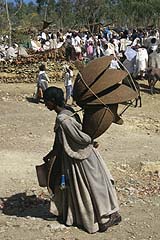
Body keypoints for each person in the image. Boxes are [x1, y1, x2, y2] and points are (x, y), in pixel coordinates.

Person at [42, 86, 121, 234]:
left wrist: (90, 141)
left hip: (80, 159)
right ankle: (85, 215)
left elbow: (79, 138)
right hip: (78, 157)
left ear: (53, 101)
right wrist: (50, 154)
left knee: (91, 187)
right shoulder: (69, 111)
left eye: (46, 102)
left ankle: (102, 219)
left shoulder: (63, 119)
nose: (45, 105)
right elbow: (64, 138)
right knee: (88, 186)